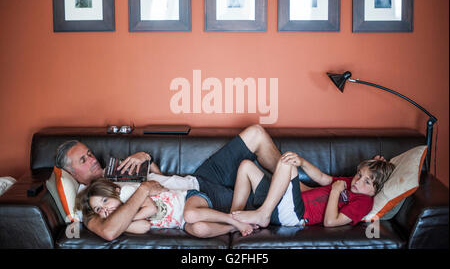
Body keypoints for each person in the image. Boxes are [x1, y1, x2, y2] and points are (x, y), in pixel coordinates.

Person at [55, 124, 282, 240]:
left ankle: (297, 182)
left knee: (255, 133)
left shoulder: (112, 171)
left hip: (197, 180)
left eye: (90, 153)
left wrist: (146, 159)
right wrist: (143, 189)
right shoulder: (89, 202)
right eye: (83, 160)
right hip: (198, 199)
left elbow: (160, 181)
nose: (92, 159)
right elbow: (109, 231)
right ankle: (300, 191)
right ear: (69, 172)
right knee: (269, 196)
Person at [231, 152, 395, 228]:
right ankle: (233, 220)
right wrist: (302, 162)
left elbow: (330, 222)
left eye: (366, 181)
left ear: (375, 190)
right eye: (359, 174)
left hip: (297, 213)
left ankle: (262, 215)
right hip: (283, 201)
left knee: (286, 164)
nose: (358, 181)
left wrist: (336, 192)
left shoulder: (364, 201)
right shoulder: (349, 182)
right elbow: (323, 178)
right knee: (246, 166)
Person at [76, 178, 257, 238]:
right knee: (199, 229)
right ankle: (232, 228)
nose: (104, 210)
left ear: (116, 193)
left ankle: (232, 219)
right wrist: (122, 223)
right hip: (180, 223)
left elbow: (151, 210)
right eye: (99, 210)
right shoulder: (123, 217)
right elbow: (145, 227)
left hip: (187, 199)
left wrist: (127, 217)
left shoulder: (129, 193)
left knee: (192, 214)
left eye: (105, 201)